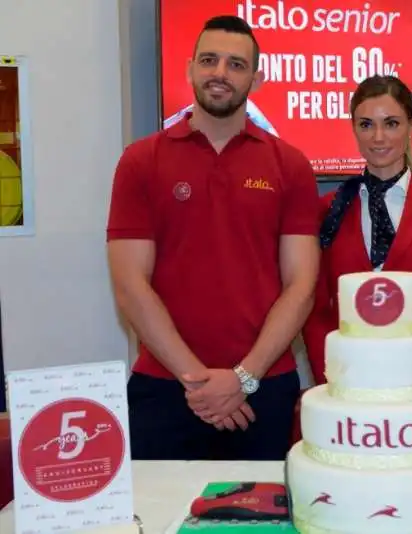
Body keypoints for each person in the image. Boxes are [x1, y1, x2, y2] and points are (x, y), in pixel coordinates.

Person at [106, 15, 320, 461]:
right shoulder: (140, 160)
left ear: (256, 79)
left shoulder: (291, 165)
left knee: (262, 528)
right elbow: (129, 283)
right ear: (190, 69)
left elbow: (301, 285)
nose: (220, 73)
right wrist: (198, 383)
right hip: (165, 387)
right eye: (209, 60)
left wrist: (242, 379)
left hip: (263, 387)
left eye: (236, 64)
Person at [302, 75, 412, 386]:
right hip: (346, 385)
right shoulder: (328, 210)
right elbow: (315, 309)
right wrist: (333, 375)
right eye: (366, 124)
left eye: (391, 123)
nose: (378, 137)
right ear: (353, 128)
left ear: (411, 126)